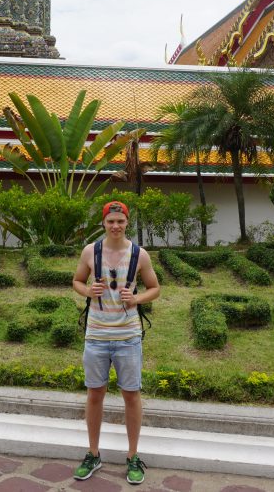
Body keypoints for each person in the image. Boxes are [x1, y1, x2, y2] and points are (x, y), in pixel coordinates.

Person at [71, 200, 161, 485]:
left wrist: (136, 298)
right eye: (110, 221)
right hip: (96, 335)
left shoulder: (139, 255)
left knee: (131, 395)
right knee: (94, 394)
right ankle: (93, 453)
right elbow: (76, 281)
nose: (115, 226)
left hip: (128, 337)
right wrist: (88, 289)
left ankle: (133, 456)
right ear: (103, 223)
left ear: (127, 223)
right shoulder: (90, 252)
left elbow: (155, 288)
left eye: (120, 221)